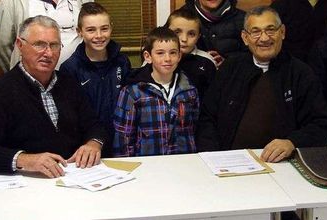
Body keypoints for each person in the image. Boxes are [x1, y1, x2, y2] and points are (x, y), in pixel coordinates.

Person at [0, 16, 107, 178]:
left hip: (75, 177)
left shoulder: (68, 83)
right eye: (39, 45)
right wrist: (25, 160)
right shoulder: (2, 91)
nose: (48, 53)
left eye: (54, 45)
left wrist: (94, 143)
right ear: (20, 45)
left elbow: (94, 124)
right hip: (28, 184)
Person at [196, 6, 327, 163]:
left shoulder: (300, 73)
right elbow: (207, 117)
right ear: (245, 37)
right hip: (229, 162)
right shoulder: (230, 68)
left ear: (282, 32)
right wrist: (212, 156)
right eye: (255, 32)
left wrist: (292, 143)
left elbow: (323, 124)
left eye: (271, 30)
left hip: (282, 165)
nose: (264, 38)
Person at [113, 27, 199, 157]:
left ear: (179, 56)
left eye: (173, 53)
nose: (167, 58)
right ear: (148, 57)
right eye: (160, 53)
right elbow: (123, 137)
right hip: (148, 165)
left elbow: (194, 128)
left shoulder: (189, 90)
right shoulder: (132, 92)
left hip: (184, 163)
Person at [60, 2, 130, 157]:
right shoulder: (70, 69)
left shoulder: (122, 62)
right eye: (91, 30)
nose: (99, 36)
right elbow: (70, 117)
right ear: (79, 32)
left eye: (104, 28)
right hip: (87, 148)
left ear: (111, 28)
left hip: (120, 143)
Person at [0, 0, 90, 72]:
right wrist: (19, 71)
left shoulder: (82, 1)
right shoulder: (12, 2)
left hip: (76, 79)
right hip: (30, 85)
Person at [163, 8, 217, 99]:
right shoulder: (155, 59)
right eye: (177, 32)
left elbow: (214, 97)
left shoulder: (207, 61)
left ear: (198, 36)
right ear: (166, 31)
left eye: (191, 34)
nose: (184, 39)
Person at [181, 0, 247, 66]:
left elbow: (250, 59)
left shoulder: (244, 19)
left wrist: (228, 64)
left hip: (232, 74)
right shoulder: (180, 17)